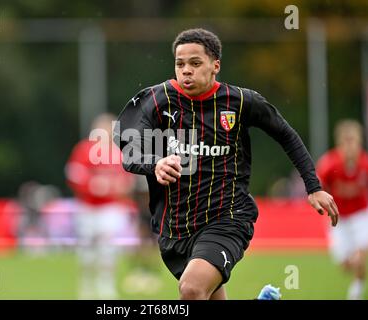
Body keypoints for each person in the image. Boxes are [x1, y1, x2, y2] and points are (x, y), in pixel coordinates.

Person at [113, 28, 339, 300]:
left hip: (227, 219)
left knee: (192, 289)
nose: (186, 71)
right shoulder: (155, 100)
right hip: (175, 227)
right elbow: (129, 148)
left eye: (195, 63)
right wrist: (155, 163)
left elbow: (286, 135)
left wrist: (313, 187)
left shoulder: (241, 102)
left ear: (215, 66)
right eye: (180, 64)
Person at [65, 113, 136, 299]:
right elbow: (74, 176)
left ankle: (106, 286)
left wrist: (111, 187)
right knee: (87, 252)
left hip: (111, 207)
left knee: (108, 250)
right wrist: (93, 186)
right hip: (87, 207)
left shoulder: (119, 152)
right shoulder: (84, 150)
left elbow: (127, 181)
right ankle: (86, 286)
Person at [316, 119, 368, 300]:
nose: (350, 146)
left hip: (361, 214)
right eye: (346, 141)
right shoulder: (329, 164)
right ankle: (356, 268)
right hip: (338, 218)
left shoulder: (365, 163)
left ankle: (357, 290)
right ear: (339, 143)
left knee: (361, 255)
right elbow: (317, 187)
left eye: (353, 140)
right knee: (345, 264)